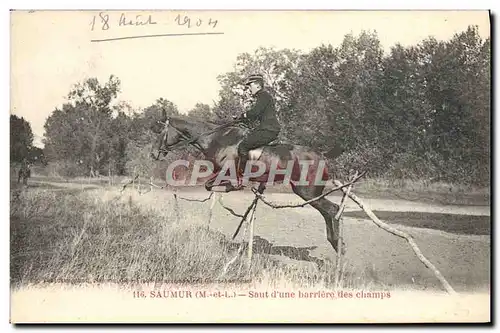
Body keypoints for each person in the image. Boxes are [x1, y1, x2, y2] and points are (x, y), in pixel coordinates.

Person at [236, 74, 281, 179]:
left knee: (243, 146)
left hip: (268, 129)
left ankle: (242, 174)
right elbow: (257, 115)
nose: (249, 88)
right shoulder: (263, 96)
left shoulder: (263, 96)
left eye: (250, 85)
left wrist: (244, 115)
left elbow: (255, 112)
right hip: (267, 129)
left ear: (257, 85)